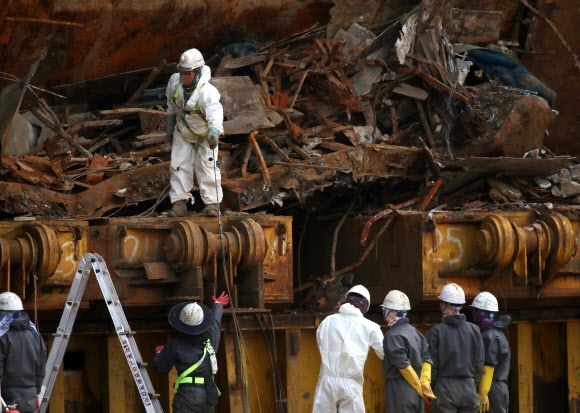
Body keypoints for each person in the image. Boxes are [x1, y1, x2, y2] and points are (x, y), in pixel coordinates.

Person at [166, 48, 224, 217]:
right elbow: (171, 105)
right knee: (178, 165)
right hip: (182, 131)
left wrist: (214, 131)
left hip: (204, 135)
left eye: (188, 73)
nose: (184, 77)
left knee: (206, 167)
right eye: (182, 72)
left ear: (197, 71)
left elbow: (215, 113)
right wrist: (170, 127)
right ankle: (179, 203)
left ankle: (212, 204)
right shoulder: (174, 82)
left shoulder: (207, 91)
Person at [312, 285, 384, 413]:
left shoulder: (327, 321)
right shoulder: (370, 327)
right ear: (365, 307)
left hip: (326, 381)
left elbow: (321, 344)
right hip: (351, 384)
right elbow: (384, 353)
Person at [154, 292, 229, 413]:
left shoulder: (175, 344)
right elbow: (216, 321)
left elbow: (161, 368)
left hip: (187, 396)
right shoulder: (211, 337)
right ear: (202, 321)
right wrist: (218, 304)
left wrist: (158, 354)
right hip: (208, 395)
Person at [425, 283, 484, 413]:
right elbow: (479, 364)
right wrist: (472, 384)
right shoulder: (474, 331)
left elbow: (431, 367)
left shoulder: (435, 333)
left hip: (443, 390)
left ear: (443, 305)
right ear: (461, 306)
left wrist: (431, 389)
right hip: (469, 388)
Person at [381, 290, 436, 413]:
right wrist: (424, 383)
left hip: (399, 391)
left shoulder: (392, 335)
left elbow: (402, 364)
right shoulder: (416, 333)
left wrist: (418, 386)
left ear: (390, 311)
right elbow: (427, 358)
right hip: (416, 396)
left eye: (385, 310)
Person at [0, 292, 47, 413]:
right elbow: (41, 367)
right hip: (30, 398)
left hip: (7, 399)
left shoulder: (2, 336)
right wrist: (36, 390)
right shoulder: (34, 333)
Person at [470, 292, 511, 413]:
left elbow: (488, 365)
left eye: (475, 310)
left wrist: (483, 392)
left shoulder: (490, 336)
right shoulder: (497, 334)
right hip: (497, 388)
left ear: (482, 312)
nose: (473, 313)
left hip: (491, 389)